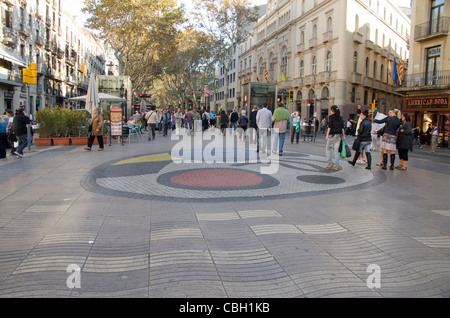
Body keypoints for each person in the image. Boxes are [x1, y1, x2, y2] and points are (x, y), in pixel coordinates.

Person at [325, 105, 345, 171]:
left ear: (332, 110)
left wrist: (327, 135)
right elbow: (342, 128)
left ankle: (329, 163)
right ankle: (336, 165)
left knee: (328, 149)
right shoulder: (340, 118)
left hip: (332, 135)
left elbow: (329, 126)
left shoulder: (331, 117)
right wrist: (344, 136)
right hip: (338, 136)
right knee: (336, 151)